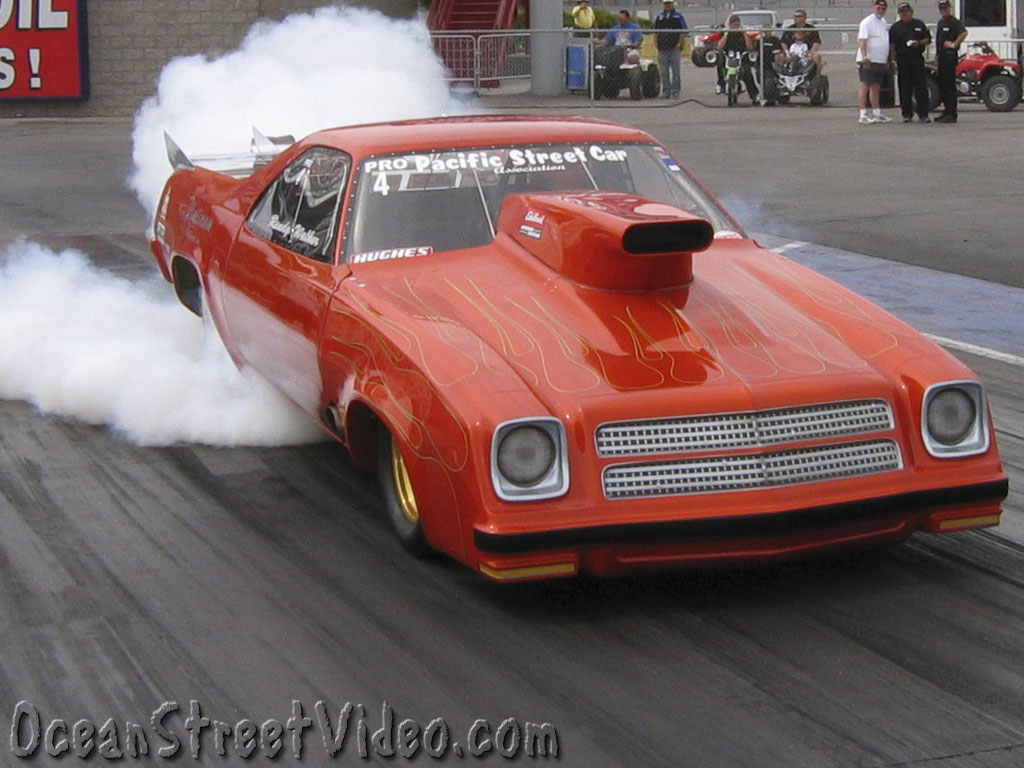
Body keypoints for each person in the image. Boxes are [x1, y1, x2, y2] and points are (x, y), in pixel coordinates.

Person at [889, 2, 932, 121]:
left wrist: (919, 43)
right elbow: (892, 45)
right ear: (899, 14)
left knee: (921, 89)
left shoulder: (919, 24)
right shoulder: (895, 27)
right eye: (902, 12)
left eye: (906, 11)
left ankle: (923, 115)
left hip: (917, 60)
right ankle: (906, 115)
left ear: (911, 12)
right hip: (903, 61)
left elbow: (928, 39)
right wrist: (892, 61)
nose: (904, 14)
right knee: (904, 89)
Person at [856, 0, 893, 123]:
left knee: (876, 87)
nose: (881, 10)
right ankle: (863, 114)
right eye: (879, 7)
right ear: (874, 7)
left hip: (880, 60)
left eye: (883, 8)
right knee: (865, 85)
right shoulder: (867, 22)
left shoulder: (883, 22)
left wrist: (887, 59)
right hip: (869, 60)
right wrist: (865, 58)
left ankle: (877, 112)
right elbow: (863, 40)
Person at [934, 0, 967, 122]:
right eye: (941, 9)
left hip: (949, 57)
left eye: (945, 8)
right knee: (943, 85)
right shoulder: (941, 22)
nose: (943, 11)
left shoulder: (954, 22)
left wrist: (954, 44)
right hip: (942, 58)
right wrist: (936, 57)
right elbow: (939, 41)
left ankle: (952, 113)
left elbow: (963, 33)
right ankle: (946, 111)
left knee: (949, 86)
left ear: (949, 8)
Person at [716, 14, 759, 104]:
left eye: (737, 25)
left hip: (741, 57)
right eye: (734, 25)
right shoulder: (725, 33)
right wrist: (726, 34)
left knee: (747, 72)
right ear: (730, 25)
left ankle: (754, 95)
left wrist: (744, 33)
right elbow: (719, 47)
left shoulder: (742, 34)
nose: (736, 27)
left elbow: (750, 47)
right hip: (728, 57)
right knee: (720, 64)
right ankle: (721, 85)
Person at [654, 0, 687, 99]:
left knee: (676, 71)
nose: (668, 5)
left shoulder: (678, 17)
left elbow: (683, 31)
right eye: (666, 4)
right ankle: (666, 91)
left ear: (673, 4)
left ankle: (675, 90)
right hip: (663, 48)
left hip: (674, 49)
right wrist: (656, 44)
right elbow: (655, 32)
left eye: (669, 3)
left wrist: (679, 44)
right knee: (663, 71)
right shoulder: (660, 17)